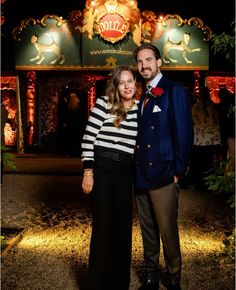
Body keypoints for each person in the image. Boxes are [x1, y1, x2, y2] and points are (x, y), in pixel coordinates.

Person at [133, 43, 193, 290]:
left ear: (159, 62)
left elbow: (184, 132)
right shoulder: (142, 95)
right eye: (139, 61)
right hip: (141, 174)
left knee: (167, 230)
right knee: (147, 229)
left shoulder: (174, 90)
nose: (144, 65)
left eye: (148, 60)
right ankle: (150, 276)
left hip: (165, 173)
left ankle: (173, 275)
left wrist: (179, 171)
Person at [81, 65, 138, 290]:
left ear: (135, 83)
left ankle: (119, 284)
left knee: (123, 229)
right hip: (102, 170)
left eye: (130, 81)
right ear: (116, 85)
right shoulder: (104, 104)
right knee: (102, 228)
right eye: (122, 82)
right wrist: (88, 172)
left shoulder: (139, 110)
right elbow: (88, 139)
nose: (127, 86)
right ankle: (95, 284)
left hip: (125, 173)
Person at [191, 86, 221, 191]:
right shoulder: (213, 107)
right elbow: (216, 124)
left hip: (198, 140)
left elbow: (192, 122)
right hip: (210, 140)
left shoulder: (195, 107)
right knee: (208, 164)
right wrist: (218, 141)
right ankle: (208, 185)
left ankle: (199, 185)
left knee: (199, 164)